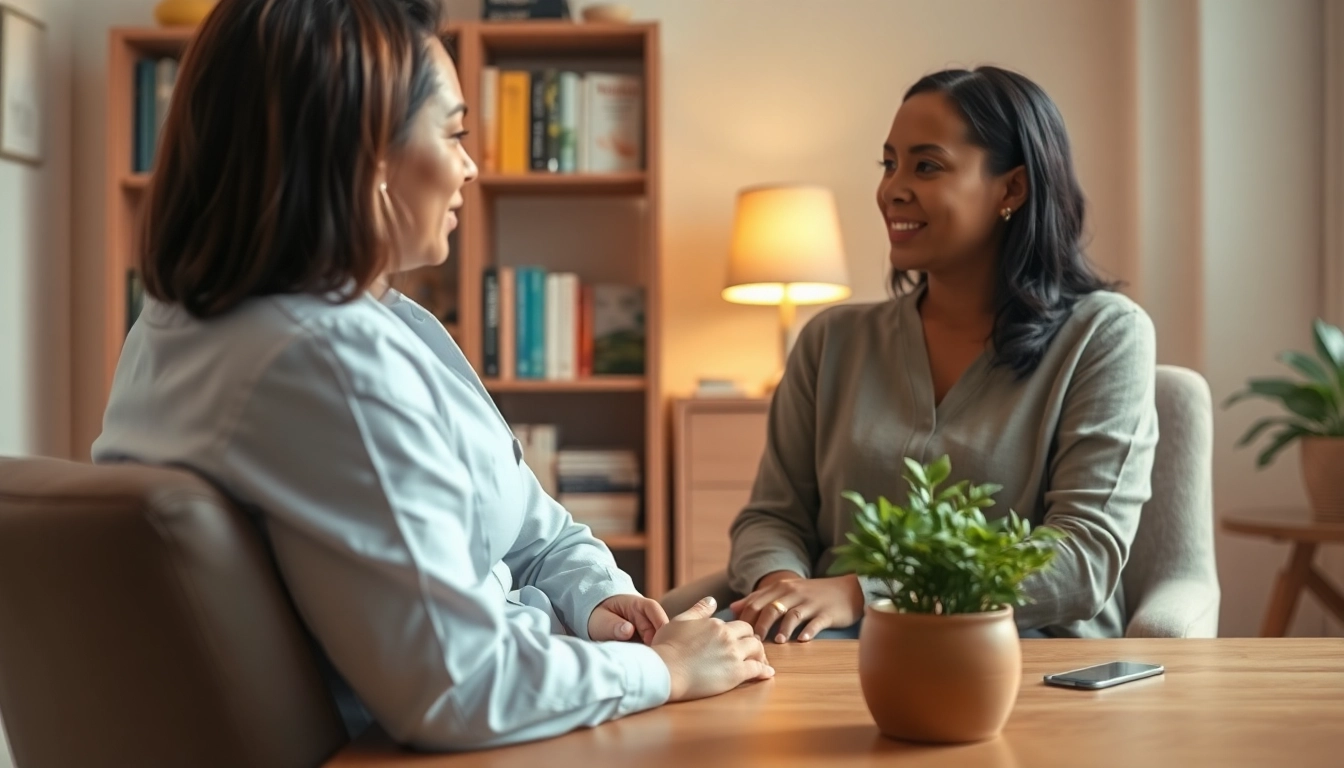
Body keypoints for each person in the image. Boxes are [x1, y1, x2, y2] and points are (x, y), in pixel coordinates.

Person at [92, 0, 772, 752]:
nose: (471, 166)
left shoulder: (211, 322)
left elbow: (535, 529)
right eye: (452, 133)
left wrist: (596, 598)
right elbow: (463, 686)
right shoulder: (325, 361)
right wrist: (663, 671)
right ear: (368, 157)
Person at [724, 66, 1158, 642]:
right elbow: (773, 517)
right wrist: (785, 597)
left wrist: (862, 593)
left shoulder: (1104, 336)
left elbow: (1083, 560)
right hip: (825, 651)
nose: (892, 189)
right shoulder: (831, 341)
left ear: (1012, 189)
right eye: (889, 164)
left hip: (1020, 656)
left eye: (926, 166)